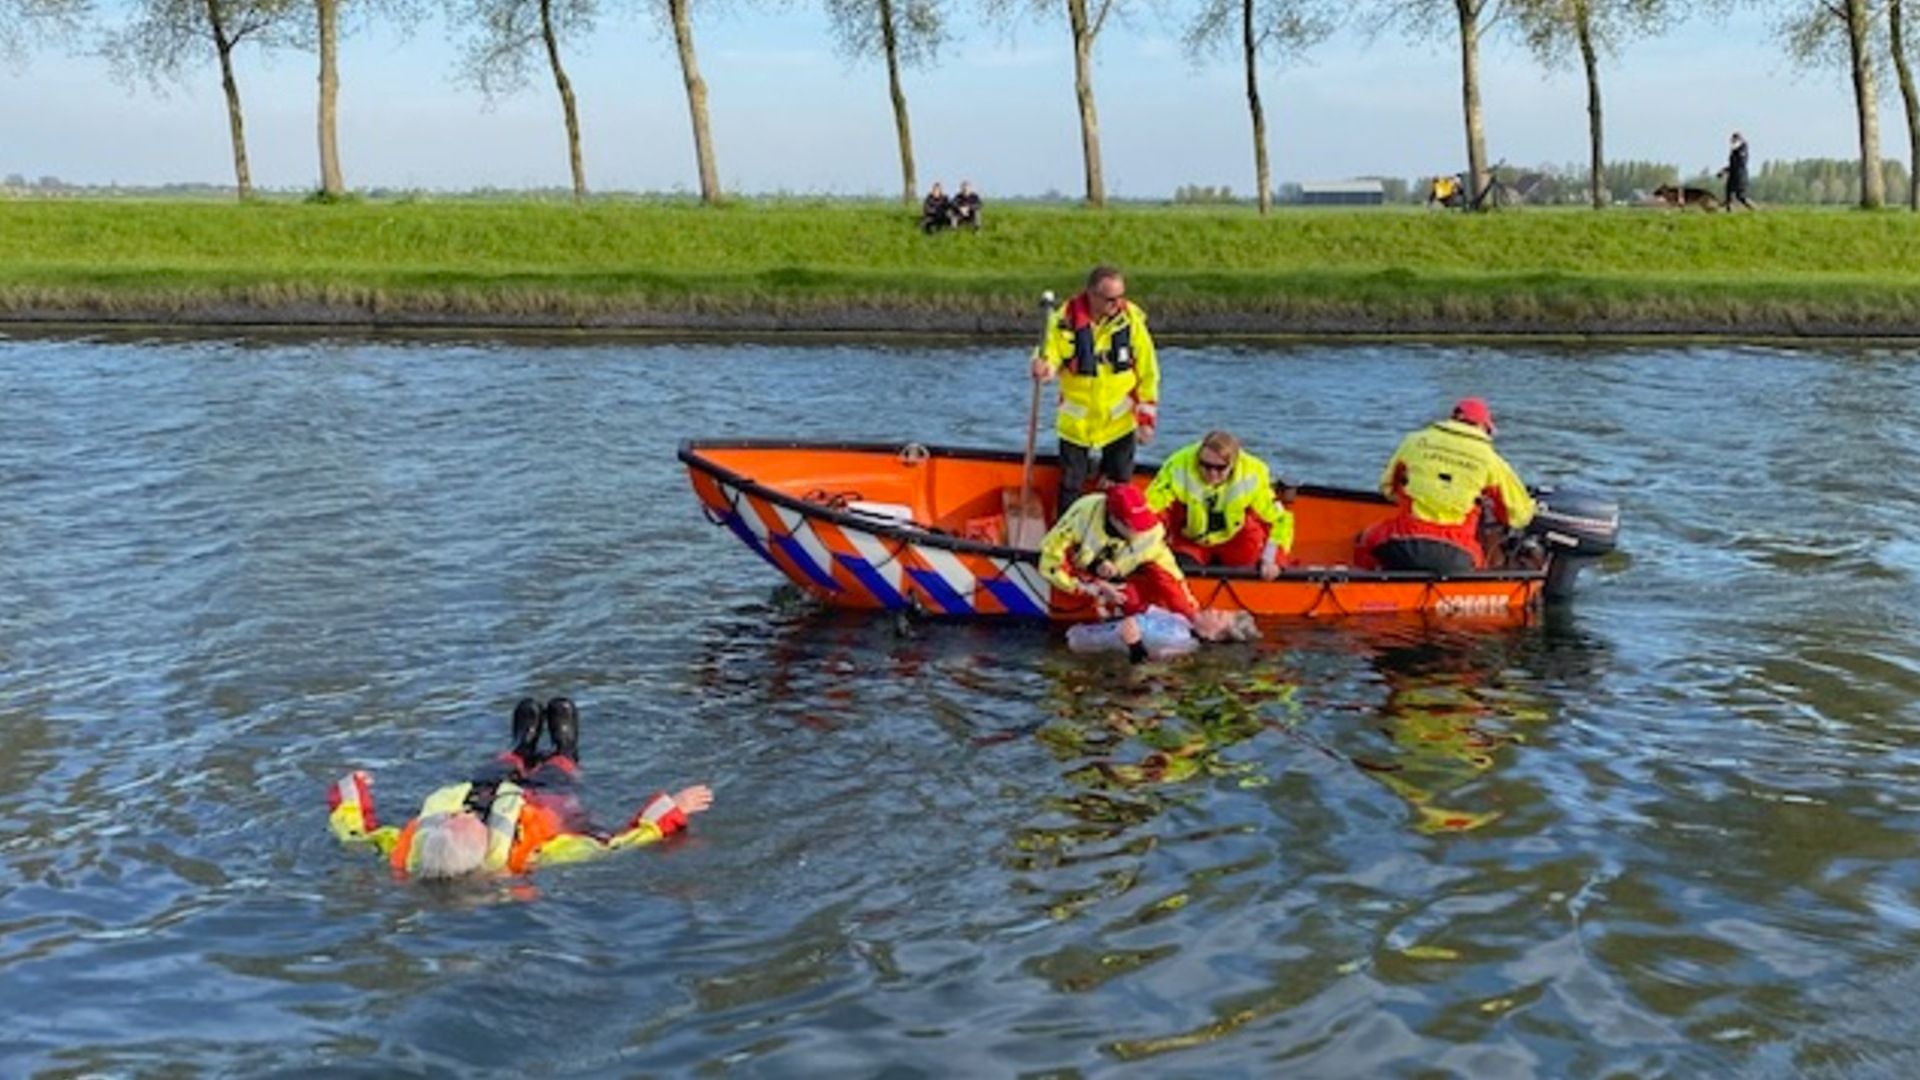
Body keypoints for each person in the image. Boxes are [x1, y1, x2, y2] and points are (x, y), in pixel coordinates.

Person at [327, 697, 712, 880]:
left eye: (450, 816)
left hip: (487, 785)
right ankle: (565, 748)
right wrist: (670, 810)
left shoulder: (405, 848)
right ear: (482, 850)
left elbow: (354, 831)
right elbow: (614, 844)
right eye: (466, 822)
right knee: (561, 769)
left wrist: (351, 788)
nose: (460, 813)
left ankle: (520, 746)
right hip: (543, 799)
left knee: (501, 764)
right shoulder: (528, 856)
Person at [1030, 265, 1161, 513]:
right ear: (1091, 294)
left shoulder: (1130, 320)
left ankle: (1114, 539)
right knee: (1070, 485)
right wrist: (1042, 367)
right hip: (1077, 423)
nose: (1117, 303)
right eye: (1110, 298)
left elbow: (1148, 372)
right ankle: (1066, 537)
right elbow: (1049, 354)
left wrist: (1146, 419)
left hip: (1120, 421)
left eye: (1120, 296)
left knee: (1120, 487)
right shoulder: (1063, 321)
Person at [1354, 397, 1536, 575]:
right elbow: (1518, 516)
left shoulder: (1414, 441)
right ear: (1484, 427)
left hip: (1404, 539)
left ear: (1452, 419)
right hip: (1458, 552)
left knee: (1365, 539)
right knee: (1484, 559)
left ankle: (1367, 585)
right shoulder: (1491, 460)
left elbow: (1387, 489)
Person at [1145, 430, 1294, 579]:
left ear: (1233, 464)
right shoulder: (1177, 467)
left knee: (1252, 575)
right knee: (1177, 570)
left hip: (1238, 542)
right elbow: (1150, 511)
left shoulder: (1252, 474)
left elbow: (1279, 521)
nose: (1212, 473)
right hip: (1191, 541)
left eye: (1220, 468)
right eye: (1205, 465)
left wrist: (1271, 560)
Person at [1040, 483, 1197, 621]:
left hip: (1118, 575)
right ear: (1113, 517)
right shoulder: (1081, 517)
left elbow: (1170, 575)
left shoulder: (1152, 532)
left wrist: (1191, 614)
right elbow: (1051, 564)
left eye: (1143, 522)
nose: (1139, 530)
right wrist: (1096, 588)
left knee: (1130, 598)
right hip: (1081, 575)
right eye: (1133, 525)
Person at [1722, 132, 1754, 211]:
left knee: (1741, 197)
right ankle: (1729, 212)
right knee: (1728, 195)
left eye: (1734, 140)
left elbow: (1740, 164)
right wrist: (1724, 170)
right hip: (1733, 175)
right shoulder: (1734, 151)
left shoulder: (1742, 149)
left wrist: (1728, 170)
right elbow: (1733, 165)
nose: (1732, 142)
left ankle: (1754, 210)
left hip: (1740, 176)